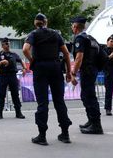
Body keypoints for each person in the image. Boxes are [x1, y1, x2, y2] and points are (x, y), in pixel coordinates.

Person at [22, 13, 75, 145]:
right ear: (46, 22)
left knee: (42, 102)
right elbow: (66, 53)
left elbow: (25, 49)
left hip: (40, 68)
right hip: (56, 68)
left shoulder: (34, 34)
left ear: (36, 23)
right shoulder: (56, 34)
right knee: (59, 101)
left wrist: (32, 61)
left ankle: (42, 135)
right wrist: (69, 72)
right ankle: (65, 133)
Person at [70, 16, 103, 134]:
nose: (71, 27)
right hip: (92, 70)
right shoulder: (90, 38)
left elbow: (79, 57)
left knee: (89, 97)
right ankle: (91, 120)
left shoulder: (80, 38)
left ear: (75, 26)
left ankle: (96, 125)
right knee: (86, 96)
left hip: (87, 71)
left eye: (72, 25)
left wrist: (73, 72)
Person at [0, 37, 26, 120]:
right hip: (3, 76)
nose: (8, 45)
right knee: (1, 95)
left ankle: (18, 112)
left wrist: (24, 68)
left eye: (9, 43)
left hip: (12, 76)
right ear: (2, 45)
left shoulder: (13, 54)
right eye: (6, 43)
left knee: (15, 94)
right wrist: (1, 62)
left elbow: (21, 60)